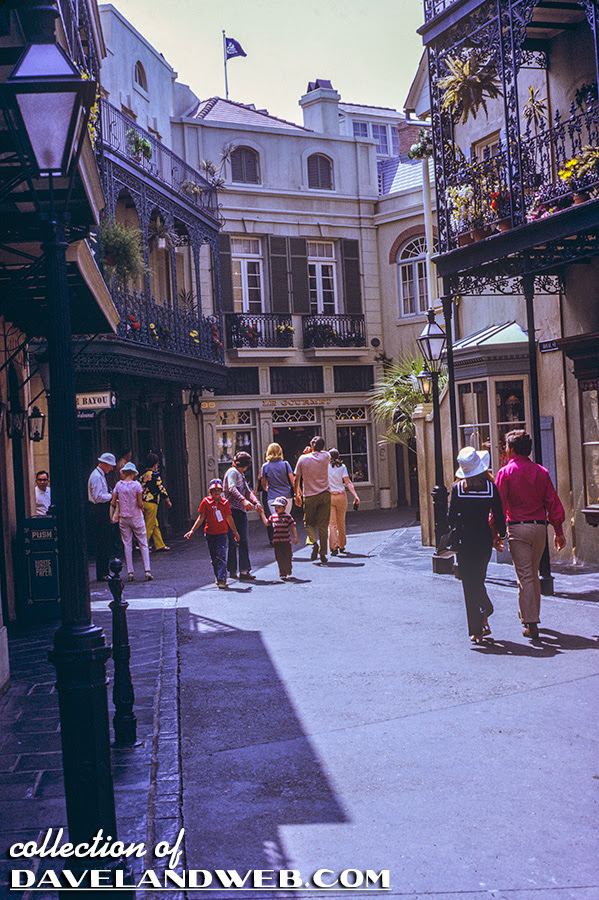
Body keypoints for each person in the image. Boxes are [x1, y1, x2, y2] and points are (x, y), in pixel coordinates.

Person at [495, 429, 566, 640]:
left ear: (512, 449)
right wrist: (558, 531)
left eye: (506, 447)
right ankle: (530, 614)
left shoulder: (505, 473)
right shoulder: (541, 472)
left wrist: (496, 532)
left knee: (525, 576)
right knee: (532, 573)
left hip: (518, 527)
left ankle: (530, 621)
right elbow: (552, 502)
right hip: (539, 528)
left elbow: (499, 506)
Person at [448, 447, 506, 644]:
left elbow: (450, 518)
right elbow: (498, 515)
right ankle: (484, 611)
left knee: (468, 582)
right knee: (478, 577)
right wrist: (501, 536)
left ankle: (477, 628)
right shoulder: (490, 488)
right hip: (483, 540)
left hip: (464, 541)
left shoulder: (457, 489)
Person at [184, 479, 240, 589]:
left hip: (222, 533)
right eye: (214, 490)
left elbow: (229, 518)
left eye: (218, 490)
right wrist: (192, 530)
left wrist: (235, 531)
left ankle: (222, 578)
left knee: (221, 555)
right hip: (210, 533)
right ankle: (218, 575)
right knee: (214, 557)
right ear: (210, 492)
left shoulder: (225, 503)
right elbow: (201, 517)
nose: (217, 492)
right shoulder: (206, 502)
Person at [223, 451, 263, 581]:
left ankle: (244, 570)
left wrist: (256, 502)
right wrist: (243, 501)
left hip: (240, 511)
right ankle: (233, 569)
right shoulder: (232, 472)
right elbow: (232, 488)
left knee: (243, 540)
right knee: (233, 541)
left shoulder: (240, 474)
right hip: (231, 511)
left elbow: (248, 491)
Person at [111, 462, 152, 582]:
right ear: (133, 473)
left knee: (127, 545)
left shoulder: (118, 485)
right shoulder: (137, 485)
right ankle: (147, 570)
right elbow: (139, 503)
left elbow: (113, 502)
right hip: (136, 516)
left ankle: (130, 572)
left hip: (124, 518)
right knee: (143, 543)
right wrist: (142, 508)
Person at [294, 436, 331, 563]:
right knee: (323, 525)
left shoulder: (303, 459)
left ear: (311, 446)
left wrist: (296, 494)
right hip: (325, 494)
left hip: (310, 495)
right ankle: (323, 553)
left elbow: (297, 478)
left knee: (309, 522)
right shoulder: (326, 456)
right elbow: (324, 453)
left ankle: (314, 542)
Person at [88, 452, 116, 581]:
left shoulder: (100, 475)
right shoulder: (96, 477)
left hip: (101, 511)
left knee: (104, 542)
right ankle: (102, 573)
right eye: (110, 466)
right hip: (99, 511)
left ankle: (104, 571)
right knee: (102, 542)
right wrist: (112, 496)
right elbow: (98, 497)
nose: (112, 469)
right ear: (105, 464)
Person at [328, 448, 360, 556]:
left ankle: (334, 546)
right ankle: (342, 545)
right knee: (341, 521)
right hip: (341, 495)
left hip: (330, 496)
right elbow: (348, 482)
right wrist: (355, 496)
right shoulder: (342, 467)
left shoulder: (325, 467)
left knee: (332, 524)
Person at [259, 496, 298, 580]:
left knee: (288, 556)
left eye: (279, 507)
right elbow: (267, 523)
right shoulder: (273, 517)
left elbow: (292, 526)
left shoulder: (288, 516)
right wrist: (262, 514)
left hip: (286, 541)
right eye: (276, 507)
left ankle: (288, 567)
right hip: (277, 542)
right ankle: (282, 572)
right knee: (279, 557)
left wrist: (295, 537)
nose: (276, 509)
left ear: (284, 508)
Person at [141, 452, 172, 552]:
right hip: (152, 502)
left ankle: (160, 544)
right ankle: (143, 546)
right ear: (155, 464)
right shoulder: (155, 475)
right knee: (149, 526)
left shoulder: (143, 475)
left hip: (144, 501)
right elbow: (160, 488)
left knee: (154, 524)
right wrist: (167, 500)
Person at [260, 442, 295, 523]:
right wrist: (297, 493)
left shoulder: (265, 466)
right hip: (286, 496)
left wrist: (268, 489)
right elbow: (292, 480)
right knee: (286, 521)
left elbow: (263, 483)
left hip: (272, 496)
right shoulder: (286, 464)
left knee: (276, 521)